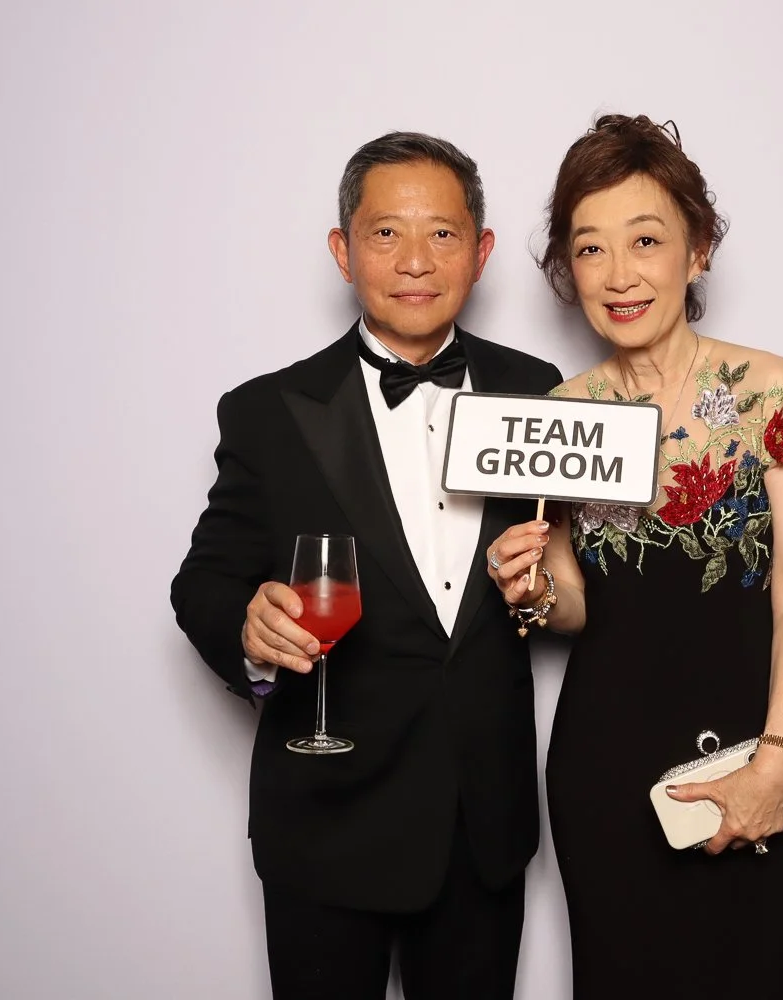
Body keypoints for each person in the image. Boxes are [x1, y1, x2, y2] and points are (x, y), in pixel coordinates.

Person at [170, 132, 563, 1000]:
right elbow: (203, 579)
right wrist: (248, 627)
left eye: (444, 234)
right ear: (343, 251)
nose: (415, 261)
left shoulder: (541, 393)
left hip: (480, 825)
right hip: (325, 818)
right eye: (386, 234)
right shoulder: (270, 411)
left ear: (482, 251)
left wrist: (539, 590)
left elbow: (572, 585)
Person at [485, 114, 783, 997]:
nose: (620, 274)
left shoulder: (769, 389)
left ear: (699, 247)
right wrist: (525, 585)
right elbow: (574, 608)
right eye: (590, 248)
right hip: (605, 767)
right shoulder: (563, 408)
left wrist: (777, 757)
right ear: (568, 270)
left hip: (757, 752)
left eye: (647, 240)